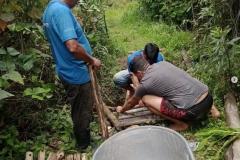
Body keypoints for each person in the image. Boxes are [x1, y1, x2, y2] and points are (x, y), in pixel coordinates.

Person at [42, 0, 101, 149]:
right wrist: (91, 60)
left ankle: (84, 136)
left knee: (79, 108)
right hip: (76, 72)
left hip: (66, 68)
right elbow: (73, 47)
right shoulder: (61, 11)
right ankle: (84, 146)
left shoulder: (50, 9)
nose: (78, 1)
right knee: (82, 111)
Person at [117, 57, 219, 131]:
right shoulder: (164, 64)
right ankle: (214, 111)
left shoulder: (145, 84)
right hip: (209, 99)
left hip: (193, 112)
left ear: (139, 73)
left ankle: (181, 124)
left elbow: (131, 103)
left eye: (134, 76)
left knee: (146, 99)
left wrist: (121, 110)